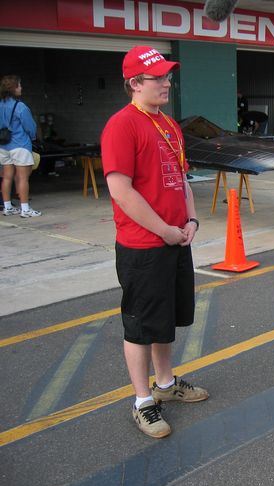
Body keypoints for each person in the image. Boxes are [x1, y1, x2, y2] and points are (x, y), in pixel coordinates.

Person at [101, 46, 209, 439]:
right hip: (144, 247)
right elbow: (121, 190)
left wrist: (191, 219)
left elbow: (181, 180)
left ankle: (166, 384)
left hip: (176, 241)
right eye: (158, 77)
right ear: (134, 83)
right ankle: (143, 401)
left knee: (167, 320)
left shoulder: (169, 124)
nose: (167, 82)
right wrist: (164, 229)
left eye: (168, 76)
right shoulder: (122, 125)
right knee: (140, 326)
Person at [0, 75, 40, 217]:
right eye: (19, 85)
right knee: (23, 178)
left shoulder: (0, 104)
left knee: (7, 177)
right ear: (13, 88)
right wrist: (34, 137)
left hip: (4, 146)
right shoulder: (20, 106)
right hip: (20, 144)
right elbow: (30, 127)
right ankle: (25, 209)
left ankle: (7, 207)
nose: (21, 88)